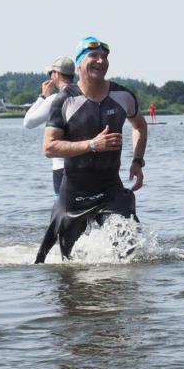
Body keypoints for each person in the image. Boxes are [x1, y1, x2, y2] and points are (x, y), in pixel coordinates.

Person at [35, 37, 148, 263]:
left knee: (130, 252)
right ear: (78, 64)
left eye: (104, 57)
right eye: (93, 56)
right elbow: (49, 147)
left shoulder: (122, 95)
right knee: (66, 263)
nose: (101, 61)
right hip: (75, 191)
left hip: (110, 187)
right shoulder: (64, 101)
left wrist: (137, 160)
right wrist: (92, 145)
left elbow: (139, 125)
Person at [23, 56, 76, 195]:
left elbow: (28, 122)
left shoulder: (55, 99)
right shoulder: (83, 95)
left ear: (57, 74)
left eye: (50, 73)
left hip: (62, 167)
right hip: (85, 164)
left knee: (64, 211)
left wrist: (43, 96)